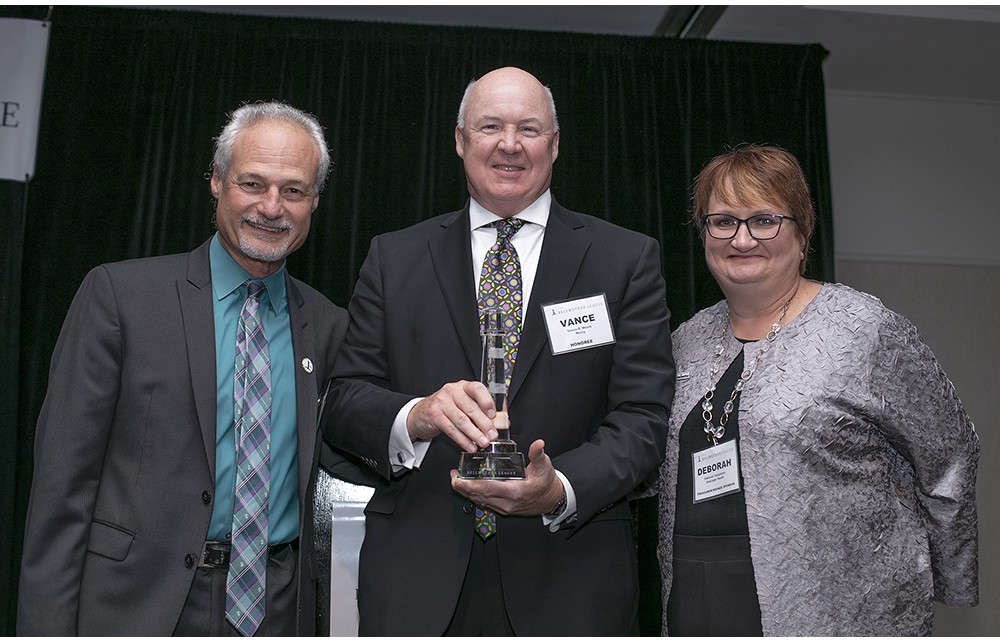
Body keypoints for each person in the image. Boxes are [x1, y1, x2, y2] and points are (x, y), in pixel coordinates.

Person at [320, 66, 675, 635]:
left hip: (570, 578)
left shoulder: (624, 260)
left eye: (528, 129)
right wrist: (418, 415)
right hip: (418, 581)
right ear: (460, 141)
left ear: (554, 146)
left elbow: (642, 420)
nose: (509, 144)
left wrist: (558, 487)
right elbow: (343, 401)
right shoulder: (394, 258)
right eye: (490, 126)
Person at [17, 101, 355, 636]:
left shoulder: (332, 327)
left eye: (292, 190)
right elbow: (63, 490)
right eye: (252, 183)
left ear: (314, 200)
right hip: (138, 606)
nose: (272, 207)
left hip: (279, 610)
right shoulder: (120, 298)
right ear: (216, 181)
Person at [654, 144, 979, 636]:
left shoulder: (864, 329)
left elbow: (949, 452)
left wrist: (947, 578)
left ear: (803, 233)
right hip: (696, 593)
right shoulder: (686, 340)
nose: (741, 238)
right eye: (722, 221)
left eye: (764, 220)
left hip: (834, 602)